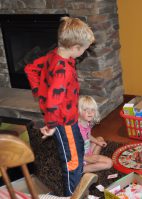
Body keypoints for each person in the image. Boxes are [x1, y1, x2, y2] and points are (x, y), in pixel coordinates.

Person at [24, 17, 95, 196]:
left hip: (69, 119)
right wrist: (52, 125)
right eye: (85, 50)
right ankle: (72, 194)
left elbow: (30, 69)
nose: (84, 52)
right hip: (64, 122)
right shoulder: (63, 70)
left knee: (77, 149)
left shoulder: (54, 54)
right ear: (75, 48)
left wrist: (39, 92)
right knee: (73, 161)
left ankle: (77, 185)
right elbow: (53, 102)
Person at [78, 95, 113, 172]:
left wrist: (97, 142)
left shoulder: (87, 123)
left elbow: (88, 136)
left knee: (99, 139)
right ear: (79, 111)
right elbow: (72, 151)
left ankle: (92, 160)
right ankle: (82, 169)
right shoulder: (77, 130)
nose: (90, 112)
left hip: (86, 152)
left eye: (92, 110)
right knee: (109, 163)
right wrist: (87, 158)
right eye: (85, 110)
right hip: (80, 158)